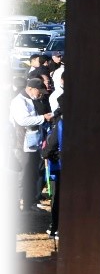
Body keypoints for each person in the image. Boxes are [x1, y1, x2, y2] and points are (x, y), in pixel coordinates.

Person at [12, 77, 53, 211]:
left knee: (32, 175)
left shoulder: (33, 100)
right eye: (39, 91)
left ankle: (29, 203)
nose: (40, 94)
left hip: (34, 143)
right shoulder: (19, 101)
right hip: (22, 144)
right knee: (22, 176)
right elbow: (23, 120)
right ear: (30, 89)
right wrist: (42, 118)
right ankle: (17, 205)